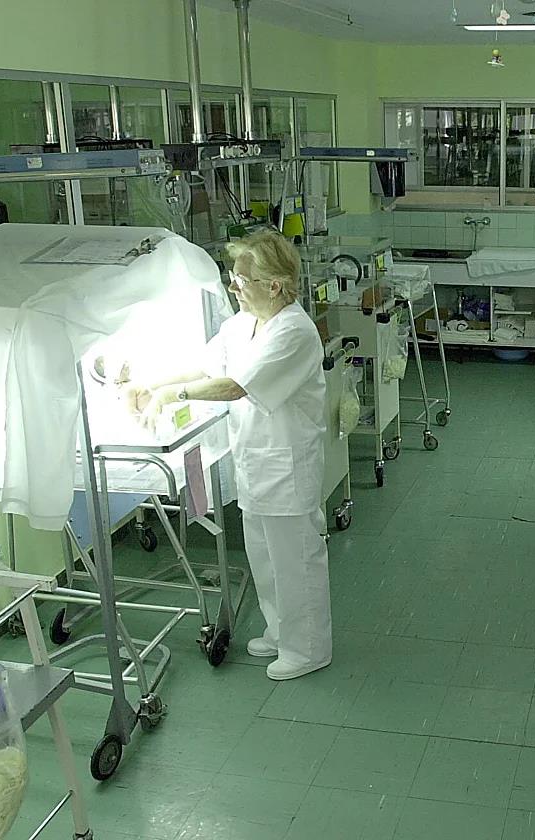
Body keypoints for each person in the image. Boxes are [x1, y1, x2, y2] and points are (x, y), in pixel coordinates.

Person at [126, 231, 331, 680]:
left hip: (288, 464)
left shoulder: (294, 331)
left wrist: (172, 395)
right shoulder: (242, 324)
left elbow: (237, 385)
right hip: (256, 462)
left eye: (242, 278)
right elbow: (206, 367)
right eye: (234, 276)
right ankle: (281, 633)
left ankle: (309, 646)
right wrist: (152, 383)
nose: (233, 285)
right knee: (263, 555)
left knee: (294, 558)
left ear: (274, 285)